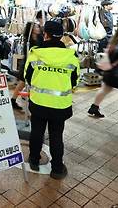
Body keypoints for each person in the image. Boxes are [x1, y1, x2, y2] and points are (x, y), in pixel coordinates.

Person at [24, 20, 80, 180]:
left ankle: (34, 160)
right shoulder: (71, 57)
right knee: (56, 135)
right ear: (61, 36)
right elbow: (75, 82)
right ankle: (56, 168)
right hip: (60, 105)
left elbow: (27, 78)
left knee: (37, 132)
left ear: (45, 35)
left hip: (38, 103)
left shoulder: (35, 54)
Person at [11, 10, 45, 110]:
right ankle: (14, 100)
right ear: (32, 29)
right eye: (36, 27)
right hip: (28, 63)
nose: (38, 28)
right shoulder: (29, 40)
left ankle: (18, 99)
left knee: (25, 83)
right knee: (22, 82)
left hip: (35, 64)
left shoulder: (39, 38)